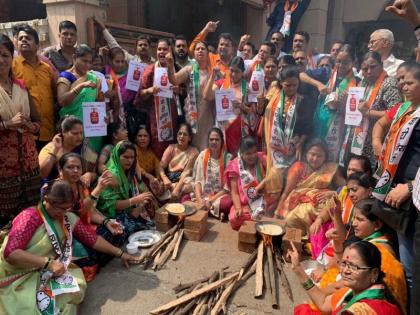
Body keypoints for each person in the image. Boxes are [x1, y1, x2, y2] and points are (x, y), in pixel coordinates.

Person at [0, 180, 139, 315]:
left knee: (74, 290)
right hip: (16, 272)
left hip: (45, 271)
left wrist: (120, 253)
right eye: (59, 208)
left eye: (66, 208)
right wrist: (47, 263)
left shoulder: (67, 217)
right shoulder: (30, 217)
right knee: (27, 308)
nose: (62, 213)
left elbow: (93, 239)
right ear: (46, 199)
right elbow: (11, 254)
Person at [372, 63, 420, 311]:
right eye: (401, 82)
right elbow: (380, 124)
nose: (403, 86)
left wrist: (410, 187)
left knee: (411, 268)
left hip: (412, 198)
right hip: (395, 192)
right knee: (401, 261)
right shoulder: (404, 109)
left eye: (409, 82)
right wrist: (378, 142)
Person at [291, 241, 401, 315]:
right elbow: (323, 303)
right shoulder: (355, 288)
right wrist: (298, 269)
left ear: (374, 273)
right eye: (344, 263)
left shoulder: (363, 310)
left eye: (353, 266)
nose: (345, 271)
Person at [57, 153, 124, 275]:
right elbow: (76, 212)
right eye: (70, 167)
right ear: (60, 170)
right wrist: (97, 190)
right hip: (64, 233)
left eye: (78, 167)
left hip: (83, 225)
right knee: (89, 257)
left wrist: (107, 222)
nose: (75, 171)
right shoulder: (55, 189)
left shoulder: (80, 185)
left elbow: (90, 212)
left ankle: (103, 255)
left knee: (116, 232)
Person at [0, 34, 41, 228]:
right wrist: (7, 124)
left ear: (11, 57)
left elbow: (37, 121)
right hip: (3, 169)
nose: (1, 60)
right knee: (5, 223)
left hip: (29, 162)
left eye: (5, 55)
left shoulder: (21, 87)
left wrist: (32, 126)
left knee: (30, 217)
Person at [261, 66, 312, 215]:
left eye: (294, 85)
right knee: (274, 174)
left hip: (293, 149)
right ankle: (269, 210)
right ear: (281, 83)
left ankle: (281, 210)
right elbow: (263, 116)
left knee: (288, 178)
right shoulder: (274, 97)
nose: (291, 88)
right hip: (274, 147)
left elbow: (307, 127)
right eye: (287, 85)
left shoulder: (303, 101)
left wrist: (299, 142)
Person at [341, 51, 403, 167]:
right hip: (359, 142)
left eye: (373, 67)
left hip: (377, 143)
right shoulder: (362, 84)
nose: (369, 72)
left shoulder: (389, 83)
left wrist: (369, 112)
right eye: (365, 69)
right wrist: (346, 101)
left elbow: (398, 113)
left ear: (381, 65)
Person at [277, 138, 345, 235]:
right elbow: (286, 192)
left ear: (325, 157)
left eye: (319, 156)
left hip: (323, 204)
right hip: (299, 203)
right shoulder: (298, 167)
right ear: (306, 154)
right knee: (291, 219)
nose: (315, 159)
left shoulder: (331, 168)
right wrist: (277, 213)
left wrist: (334, 192)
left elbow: (345, 187)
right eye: (312, 154)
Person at [97, 140, 157, 238]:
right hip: (109, 214)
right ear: (117, 156)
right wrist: (137, 200)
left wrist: (141, 202)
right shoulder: (111, 175)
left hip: (125, 210)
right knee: (126, 230)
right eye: (125, 157)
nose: (129, 160)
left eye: (132, 157)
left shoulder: (128, 172)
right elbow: (112, 205)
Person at [12, 24, 56, 150]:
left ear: (37, 45)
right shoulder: (12, 66)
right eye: (21, 39)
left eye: (28, 38)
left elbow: (54, 93)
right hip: (25, 130)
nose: (24, 40)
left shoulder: (47, 68)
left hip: (48, 130)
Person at [313, 44, 359, 163]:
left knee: (332, 163)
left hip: (340, 130)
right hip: (320, 124)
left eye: (345, 62)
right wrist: (318, 85)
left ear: (353, 62)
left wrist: (345, 104)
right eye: (338, 61)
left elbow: (356, 115)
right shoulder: (326, 74)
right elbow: (301, 74)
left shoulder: (358, 82)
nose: (341, 65)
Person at [57, 44, 105, 155]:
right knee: (73, 164)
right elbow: (62, 101)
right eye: (84, 61)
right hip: (72, 130)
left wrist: (103, 117)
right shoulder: (66, 77)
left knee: (91, 164)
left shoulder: (94, 79)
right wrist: (81, 86)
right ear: (74, 58)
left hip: (92, 130)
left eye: (90, 62)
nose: (87, 65)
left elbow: (99, 103)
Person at [166, 41, 214, 151]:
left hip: (208, 115)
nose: (200, 51)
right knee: (193, 147)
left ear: (208, 52)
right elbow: (174, 80)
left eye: (203, 48)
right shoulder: (190, 69)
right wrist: (170, 66)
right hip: (192, 115)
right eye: (197, 49)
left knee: (206, 146)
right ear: (194, 54)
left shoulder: (213, 71)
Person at [136, 38, 180, 158]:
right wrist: (149, 90)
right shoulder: (150, 70)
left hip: (173, 116)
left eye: (165, 49)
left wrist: (179, 90)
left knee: (173, 146)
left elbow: (185, 91)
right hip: (156, 117)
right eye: (159, 49)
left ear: (170, 50)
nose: (162, 52)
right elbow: (141, 94)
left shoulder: (176, 68)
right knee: (157, 145)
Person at [204, 56, 252, 154]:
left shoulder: (247, 88)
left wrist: (241, 106)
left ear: (242, 72)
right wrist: (213, 76)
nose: (233, 74)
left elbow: (253, 112)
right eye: (231, 70)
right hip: (223, 127)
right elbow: (207, 96)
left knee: (237, 158)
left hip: (239, 129)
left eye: (237, 72)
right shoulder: (221, 83)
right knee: (222, 156)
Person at [39, 116, 97, 185]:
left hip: (77, 190)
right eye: (75, 133)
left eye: (81, 133)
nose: (80, 137)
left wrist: (90, 175)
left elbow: (95, 174)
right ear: (63, 132)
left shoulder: (84, 148)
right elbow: (42, 175)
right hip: (54, 190)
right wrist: (55, 150)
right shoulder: (50, 148)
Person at [225, 137, 267, 230]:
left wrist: (260, 186)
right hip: (244, 205)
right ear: (242, 153)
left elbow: (273, 173)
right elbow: (234, 192)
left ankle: (254, 220)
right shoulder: (235, 165)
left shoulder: (261, 157)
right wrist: (238, 208)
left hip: (261, 201)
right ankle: (256, 221)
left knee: (264, 214)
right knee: (234, 219)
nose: (252, 156)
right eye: (248, 153)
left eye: (254, 152)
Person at [193, 127, 232, 220]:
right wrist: (199, 200)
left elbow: (227, 188)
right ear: (208, 141)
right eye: (211, 139)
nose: (214, 142)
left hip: (218, 197)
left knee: (227, 203)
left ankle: (210, 210)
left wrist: (211, 201)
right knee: (185, 198)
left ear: (222, 141)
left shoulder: (228, 158)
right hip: (203, 196)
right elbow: (197, 181)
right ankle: (217, 213)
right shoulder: (202, 155)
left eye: (217, 139)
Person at [160, 123, 199, 202]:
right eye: (179, 133)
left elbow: (186, 173)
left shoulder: (193, 152)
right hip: (169, 179)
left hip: (183, 181)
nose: (181, 136)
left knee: (188, 186)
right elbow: (161, 166)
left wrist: (176, 189)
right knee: (157, 186)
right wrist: (164, 179)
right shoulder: (171, 148)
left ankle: (171, 203)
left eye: (185, 134)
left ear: (190, 138)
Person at [105, 47, 138, 135]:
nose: (120, 64)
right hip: (107, 119)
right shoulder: (105, 73)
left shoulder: (131, 76)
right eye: (117, 61)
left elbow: (136, 97)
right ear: (110, 61)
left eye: (122, 61)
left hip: (126, 118)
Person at [134, 126, 170, 201]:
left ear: (149, 139)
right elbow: (134, 165)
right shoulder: (133, 149)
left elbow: (158, 167)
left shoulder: (151, 153)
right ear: (136, 138)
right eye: (140, 136)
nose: (142, 138)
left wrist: (159, 180)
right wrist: (148, 175)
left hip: (149, 180)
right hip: (136, 181)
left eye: (145, 136)